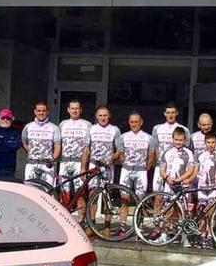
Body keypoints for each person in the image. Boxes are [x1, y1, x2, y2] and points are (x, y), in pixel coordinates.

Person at [83, 105, 122, 236]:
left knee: (107, 196)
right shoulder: (91, 129)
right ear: (96, 116)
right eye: (100, 115)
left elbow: (119, 151)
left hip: (107, 167)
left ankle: (107, 226)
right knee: (92, 194)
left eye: (105, 115)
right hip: (94, 165)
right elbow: (86, 149)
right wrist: (83, 167)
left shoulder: (114, 130)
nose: (103, 118)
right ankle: (91, 225)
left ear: (109, 116)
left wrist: (113, 158)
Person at [116, 111, 157, 236]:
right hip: (126, 170)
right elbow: (121, 155)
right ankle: (122, 226)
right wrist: (127, 165)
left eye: (136, 122)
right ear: (129, 123)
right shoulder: (123, 137)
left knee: (140, 200)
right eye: (132, 122)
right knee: (124, 199)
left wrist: (145, 169)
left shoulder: (149, 138)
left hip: (141, 171)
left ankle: (139, 226)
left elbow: (151, 157)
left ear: (141, 122)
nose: (134, 124)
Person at [156, 127, 196, 244]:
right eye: (176, 139)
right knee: (168, 211)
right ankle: (164, 234)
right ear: (172, 139)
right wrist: (167, 178)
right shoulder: (167, 152)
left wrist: (179, 179)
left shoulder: (189, 153)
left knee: (183, 211)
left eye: (180, 140)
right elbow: (162, 170)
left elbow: (190, 170)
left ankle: (185, 237)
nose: (178, 142)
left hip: (183, 186)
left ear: (184, 140)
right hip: (170, 185)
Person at [58, 100, 92, 222]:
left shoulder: (87, 125)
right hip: (65, 162)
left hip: (79, 162)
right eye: (72, 108)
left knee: (80, 194)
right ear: (68, 110)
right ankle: (63, 220)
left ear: (81, 110)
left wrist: (84, 165)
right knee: (64, 193)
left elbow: (88, 147)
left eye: (77, 108)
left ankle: (81, 221)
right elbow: (58, 144)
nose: (75, 111)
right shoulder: (63, 124)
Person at [151, 103, 190, 194]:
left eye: (173, 112)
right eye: (168, 112)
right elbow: (155, 148)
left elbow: (187, 150)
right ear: (164, 113)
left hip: (177, 168)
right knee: (158, 196)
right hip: (160, 166)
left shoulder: (184, 129)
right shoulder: (157, 128)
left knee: (175, 197)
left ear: (177, 113)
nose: (170, 115)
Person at [195, 133, 216, 248]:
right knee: (202, 212)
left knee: (211, 213)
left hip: (213, 188)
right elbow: (195, 171)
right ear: (205, 143)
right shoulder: (200, 156)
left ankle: (210, 236)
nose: (211, 145)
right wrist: (188, 180)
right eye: (208, 142)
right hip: (201, 188)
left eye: (213, 142)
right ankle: (202, 235)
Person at [22, 101, 61, 186]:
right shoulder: (28, 127)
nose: (41, 113)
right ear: (35, 112)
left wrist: (53, 159)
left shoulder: (54, 128)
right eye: (39, 111)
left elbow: (57, 146)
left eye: (43, 111)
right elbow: (24, 142)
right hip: (31, 163)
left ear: (47, 112)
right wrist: (31, 151)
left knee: (47, 190)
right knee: (30, 190)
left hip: (47, 165)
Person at [0, 108, 22, 178]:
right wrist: (9, 145)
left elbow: (16, 146)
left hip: (9, 168)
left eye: (8, 118)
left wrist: (0, 143)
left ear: (12, 119)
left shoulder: (16, 133)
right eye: (3, 118)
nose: (5, 120)